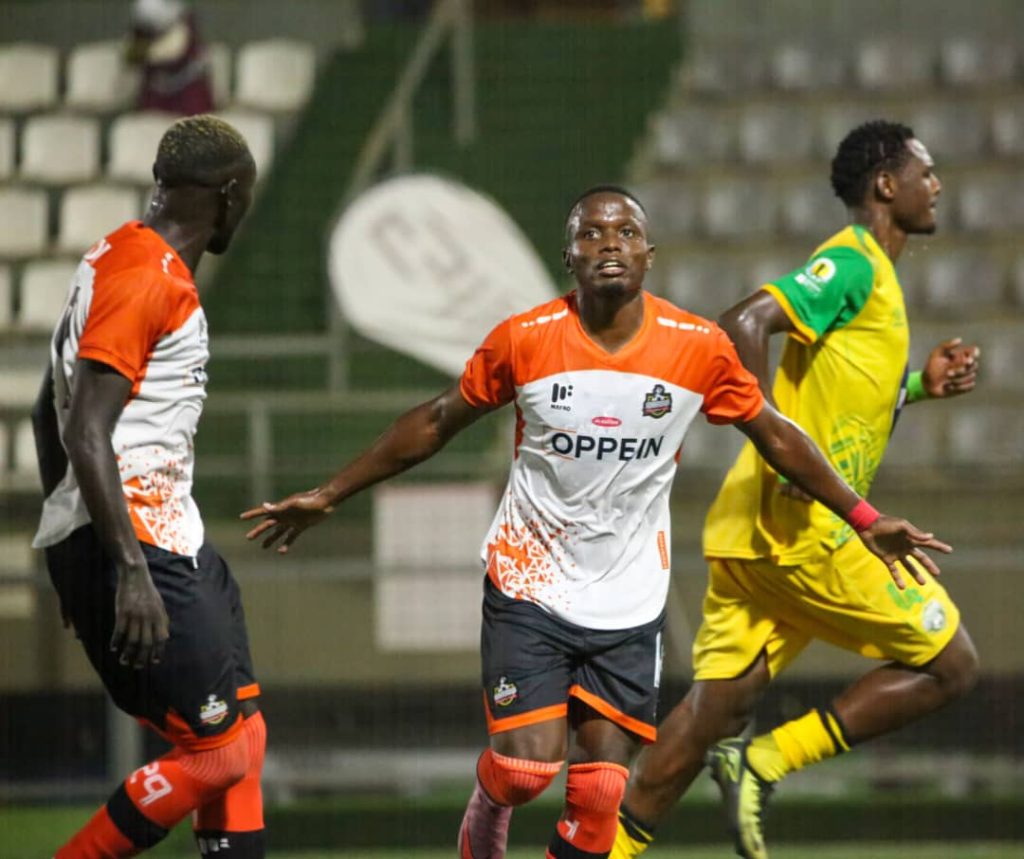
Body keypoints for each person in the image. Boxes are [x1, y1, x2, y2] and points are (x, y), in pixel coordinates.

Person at [241, 185, 950, 859]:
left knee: (601, 796)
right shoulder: (525, 339)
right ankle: (488, 807)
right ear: (569, 256)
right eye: (591, 233)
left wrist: (863, 516)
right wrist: (331, 493)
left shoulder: (696, 347)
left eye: (626, 231)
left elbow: (776, 433)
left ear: (649, 254)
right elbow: (436, 420)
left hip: (629, 601)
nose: (610, 242)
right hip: (529, 584)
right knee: (524, 770)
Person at [611, 121, 981, 859]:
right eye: (926, 171)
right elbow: (742, 322)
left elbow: (841, 397)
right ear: (887, 185)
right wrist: (773, 441)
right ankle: (769, 760)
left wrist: (917, 386)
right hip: (804, 533)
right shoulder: (853, 262)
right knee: (953, 664)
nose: (936, 184)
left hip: (750, 529)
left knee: (708, 715)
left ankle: (602, 850)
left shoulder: (874, 279)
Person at [31, 115, 265, 858]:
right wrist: (122, 570)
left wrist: (69, 534)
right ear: (228, 196)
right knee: (218, 756)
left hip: (164, 537)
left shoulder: (115, 254)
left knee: (244, 733)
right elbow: (84, 429)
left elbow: (44, 409)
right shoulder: (147, 278)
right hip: (142, 550)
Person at [127, 0, 215, 116]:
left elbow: (174, 51)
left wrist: (150, 51)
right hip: (156, 95)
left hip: (188, 91)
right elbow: (131, 54)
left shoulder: (184, 21)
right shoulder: (142, 20)